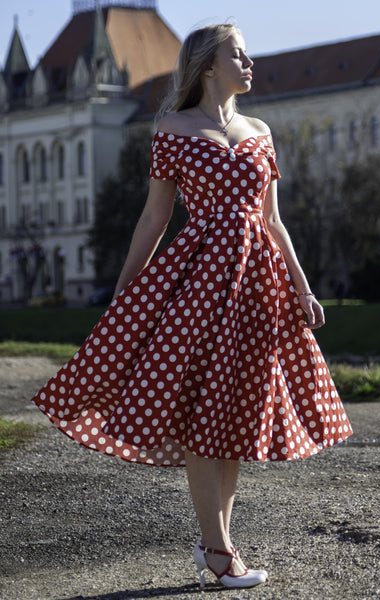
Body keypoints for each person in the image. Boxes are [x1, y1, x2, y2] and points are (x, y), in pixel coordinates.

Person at [32, 23, 353, 589]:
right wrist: (126, 294)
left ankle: (220, 548)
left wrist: (302, 289)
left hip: (258, 290)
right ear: (208, 65)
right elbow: (154, 219)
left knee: (234, 417)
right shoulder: (173, 129)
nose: (250, 63)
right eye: (239, 54)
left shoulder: (260, 129)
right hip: (199, 286)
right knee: (205, 413)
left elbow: (274, 222)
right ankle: (218, 548)